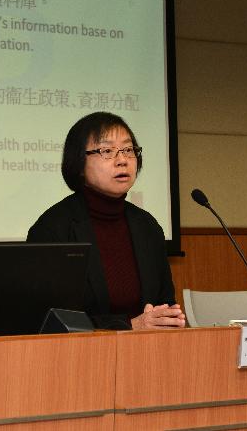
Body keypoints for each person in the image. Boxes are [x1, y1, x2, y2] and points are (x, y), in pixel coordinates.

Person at [27, 112, 185, 330]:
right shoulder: (54, 229)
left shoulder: (147, 227)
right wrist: (128, 326)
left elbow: (164, 303)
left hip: (148, 355)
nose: (122, 160)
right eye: (107, 151)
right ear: (79, 163)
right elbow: (52, 320)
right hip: (81, 357)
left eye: (128, 150)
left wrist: (166, 318)